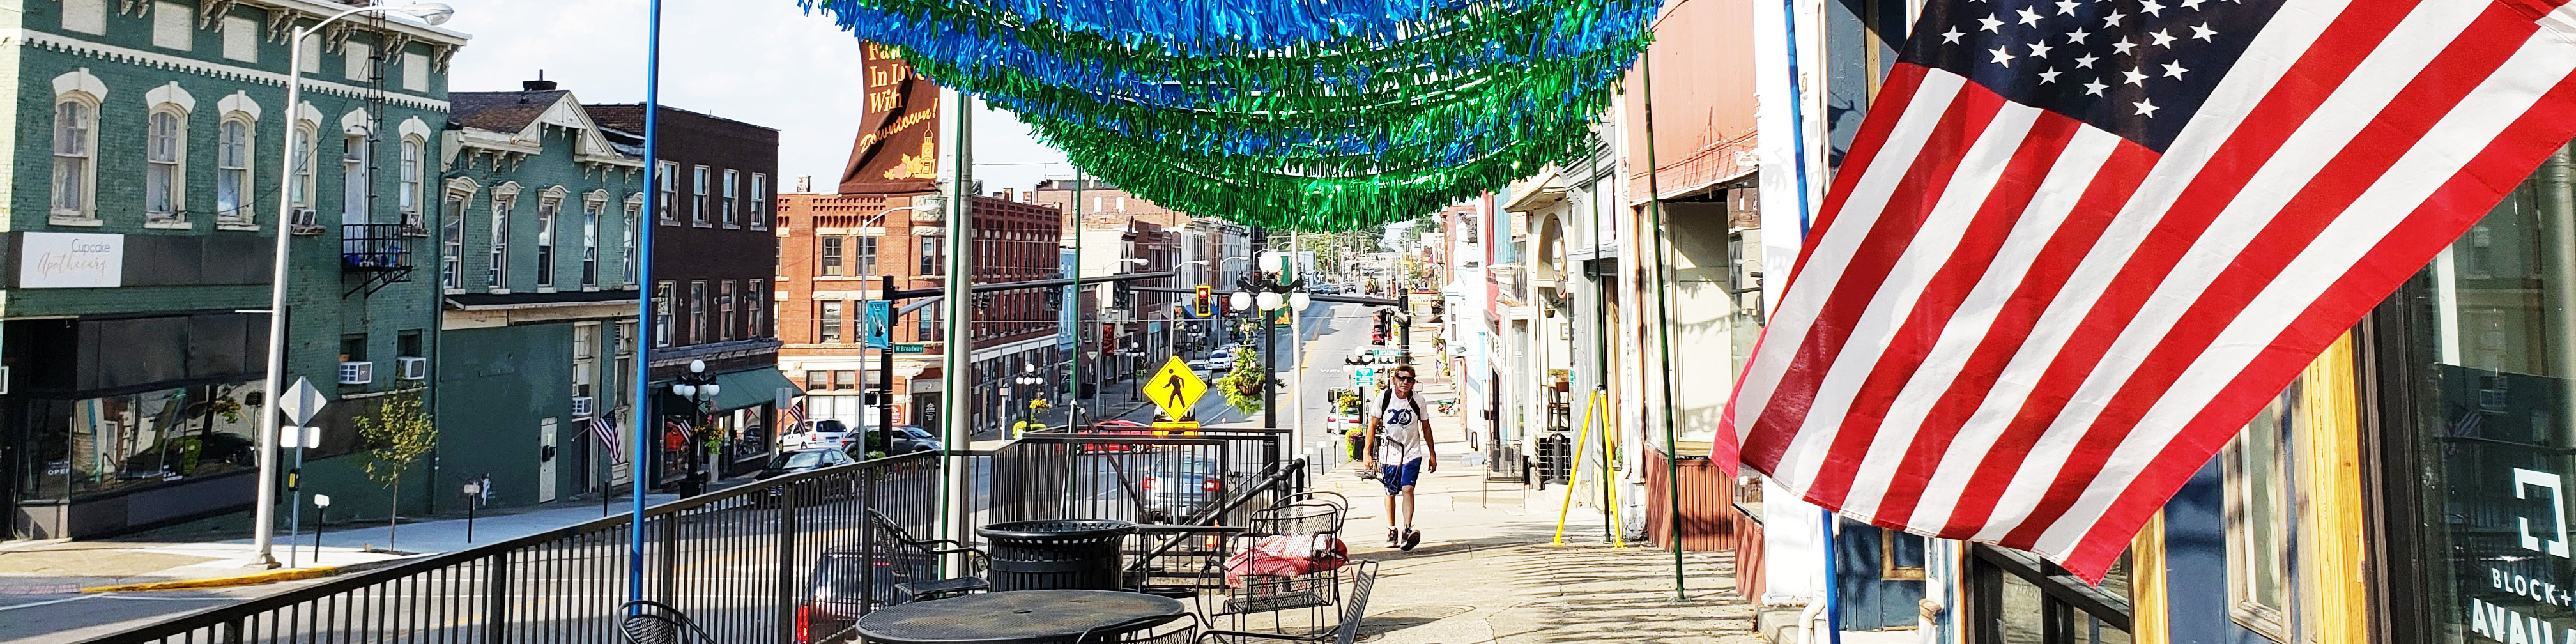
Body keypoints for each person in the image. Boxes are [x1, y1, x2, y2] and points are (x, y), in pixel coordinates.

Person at [1361, 364, 1437, 551]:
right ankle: (1391, 529)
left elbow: (1426, 428)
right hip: (1390, 454)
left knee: (1408, 489)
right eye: (1401, 378)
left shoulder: (1418, 401)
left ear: (1414, 383)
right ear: (1394, 380)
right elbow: (1372, 426)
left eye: (1409, 380)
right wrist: (1367, 453)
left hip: (1412, 453)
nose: (1405, 382)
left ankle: (1407, 529)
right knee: (1390, 492)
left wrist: (1432, 454)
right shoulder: (1384, 398)